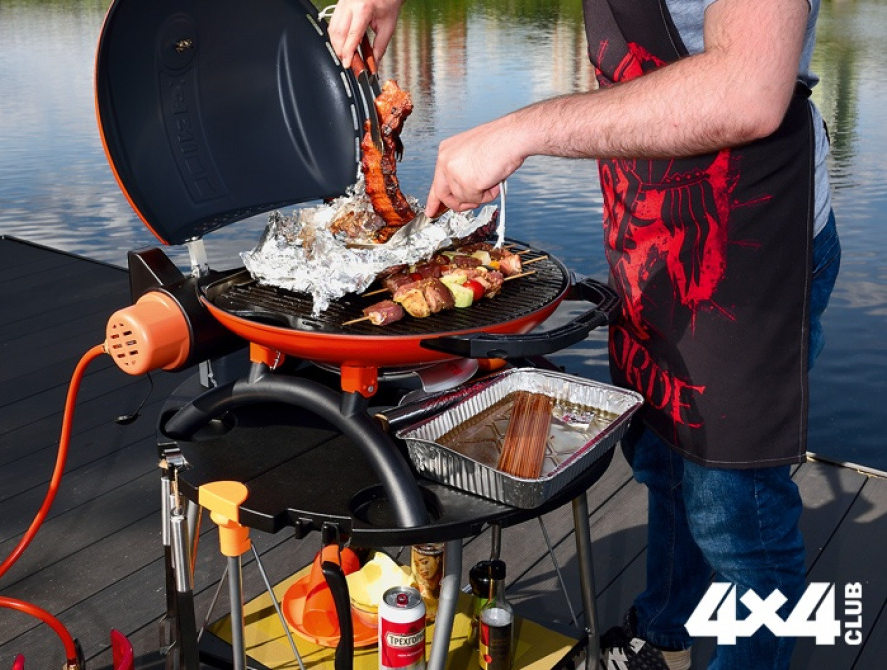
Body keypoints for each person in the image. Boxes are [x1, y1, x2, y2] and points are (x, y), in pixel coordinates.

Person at [328, 1, 841, 669]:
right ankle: (665, 633)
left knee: (736, 512)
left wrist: (522, 129)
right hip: (653, 218)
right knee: (662, 456)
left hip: (746, 238)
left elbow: (748, 91)